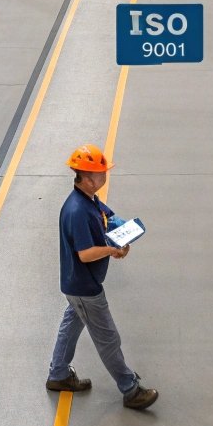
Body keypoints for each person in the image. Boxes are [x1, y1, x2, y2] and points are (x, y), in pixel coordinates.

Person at [45, 144, 159, 410]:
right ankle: (130, 389)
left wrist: (124, 232)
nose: (105, 176)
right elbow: (85, 254)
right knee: (108, 338)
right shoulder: (77, 211)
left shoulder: (89, 200)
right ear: (86, 176)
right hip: (85, 287)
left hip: (76, 285)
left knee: (71, 324)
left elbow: (108, 217)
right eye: (100, 173)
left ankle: (58, 374)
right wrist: (113, 250)